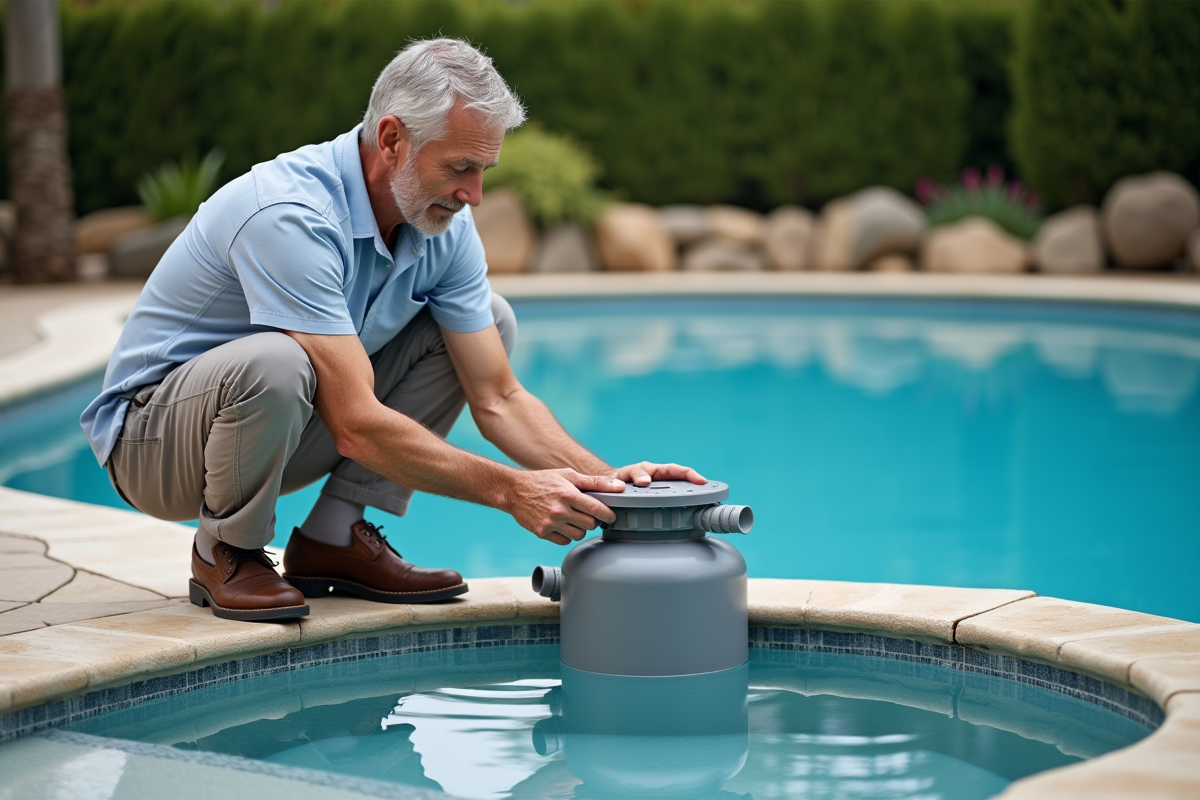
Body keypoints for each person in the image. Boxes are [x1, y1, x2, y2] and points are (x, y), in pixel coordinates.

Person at [80, 38, 705, 622]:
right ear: (392, 139)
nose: (477, 195)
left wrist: (616, 486)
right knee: (276, 361)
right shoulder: (290, 216)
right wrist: (514, 492)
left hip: (278, 431)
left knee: (490, 319)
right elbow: (354, 422)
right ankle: (227, 552)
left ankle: (333, 539)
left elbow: (499, 396)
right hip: (154, 445)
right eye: (462, 167)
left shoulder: (443, 226)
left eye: (485, 169)